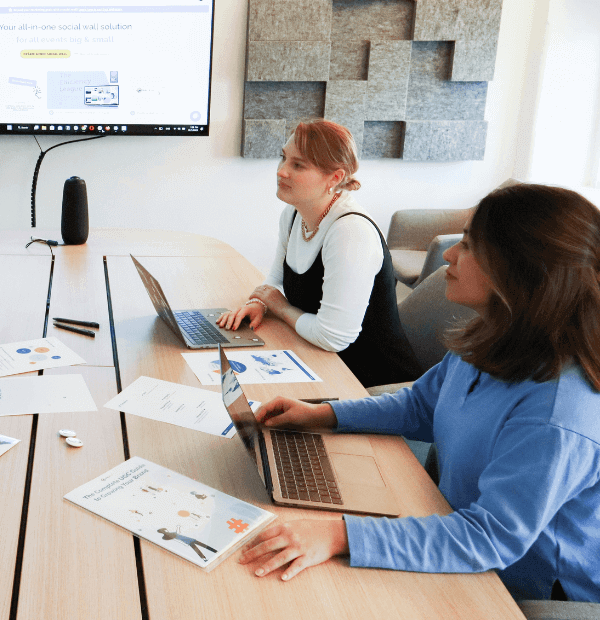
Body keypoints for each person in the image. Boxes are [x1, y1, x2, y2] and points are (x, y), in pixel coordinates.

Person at [237, 184, 600, 603]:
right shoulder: (495, 337)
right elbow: (422, 405)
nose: (448, 255)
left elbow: (489, 538)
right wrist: (324, 415)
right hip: (450, 525)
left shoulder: (558, 411)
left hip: (519, 590)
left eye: (468, 246)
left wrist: (340, 534)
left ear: (521, 271)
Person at [216, 119, 421, 387]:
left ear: (335, 178)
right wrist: (261, 303)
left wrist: (279, 306)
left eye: (297, 165)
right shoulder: (293, 213)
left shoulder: (350, 231)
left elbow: (332, 337)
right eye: (283, 158)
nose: (281, 171)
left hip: (371, 381)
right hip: (320, 358)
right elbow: (275, 281)